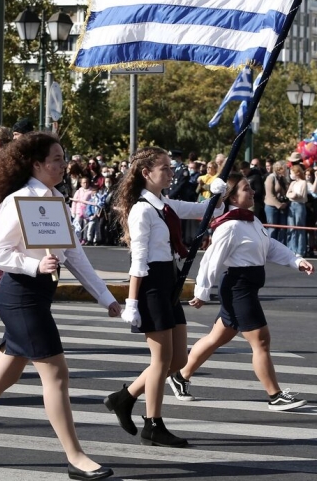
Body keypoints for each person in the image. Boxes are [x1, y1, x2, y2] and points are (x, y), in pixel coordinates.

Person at [0, 132, 118, 479]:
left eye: (64, 158)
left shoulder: (57, 199)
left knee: (6, 373)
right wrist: (35, 265)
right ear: (36, 164)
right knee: (57, 373)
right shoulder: (17, 200)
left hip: (37, 296)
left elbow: (74, 255)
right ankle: (75, 457)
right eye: (56, 159)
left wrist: (106, 297)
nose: (63, 165)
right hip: (20, 296)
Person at [105, 146, 225, 449]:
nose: (171, 172)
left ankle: (125, 397)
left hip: (169, 280)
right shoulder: (142, 209)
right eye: (165, 168)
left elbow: (203, 211)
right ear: (147, 173)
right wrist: (132, 302)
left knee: (179, 359)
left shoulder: (164, 204)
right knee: (160, 361)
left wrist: (217, 197)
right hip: (151, 284)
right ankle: (153, 424)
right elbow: (139, 259)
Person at [167, 172, 313, 411]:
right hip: (238, 290)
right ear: (233, 198)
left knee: (218, 337)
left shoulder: (251, 221)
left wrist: (296, 261)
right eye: (247, 189)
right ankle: (275, 396)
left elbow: (270, 246)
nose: (253, 191)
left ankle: (180, 376)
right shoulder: (230, 226)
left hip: (246, 288)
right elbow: (211, 260)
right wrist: (202, 292)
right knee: (262, 342)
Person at [286, 164, 310, 258]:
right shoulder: (292, 183)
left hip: (300, 205)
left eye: (292, 173)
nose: (291, 175)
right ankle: (292, 248)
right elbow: (288, 194)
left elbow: (301, 195)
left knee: (299, 227)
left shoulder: (303, 182)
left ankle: (300, 250)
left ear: (297, 173)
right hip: (292, 205)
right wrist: (292, 195)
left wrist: (293, 195)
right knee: (291, 227)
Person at [263, 161, 289, 244]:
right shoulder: (271, 178)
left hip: (282, 206)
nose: (286, 171)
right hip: (271, 206)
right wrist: (279, 205)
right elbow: (269, 194)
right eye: (284, 169)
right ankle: (269, 247)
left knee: (282, 229)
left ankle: (280, 248)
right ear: (279, 169)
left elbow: (286, 192)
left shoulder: (282, 179)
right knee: (272, 228)